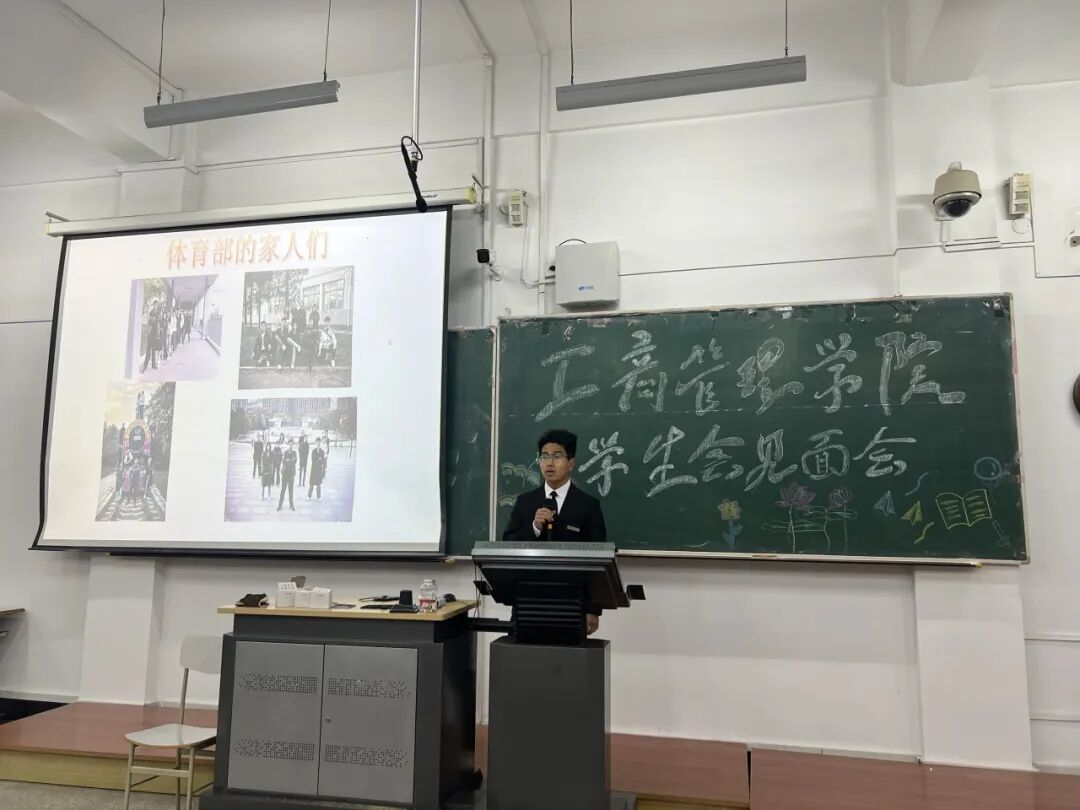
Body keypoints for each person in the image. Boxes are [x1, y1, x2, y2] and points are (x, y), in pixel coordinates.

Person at [501, 428, 607, 635]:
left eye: (557, 456)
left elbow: (599, 560)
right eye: (544, 456)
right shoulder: (525, 502)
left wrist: (593, 609)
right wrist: (534, 527)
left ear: (571, 463)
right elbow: (509, 543)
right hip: (529, 599)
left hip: (572, 602)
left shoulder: (587, 505)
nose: (549, 463)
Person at [278, 438, 297, 512]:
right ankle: (280, 505)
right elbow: (283, 461)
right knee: (283, 490)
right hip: (285, 473)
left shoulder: (294, 453)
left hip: (291, 474)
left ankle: (291, 505)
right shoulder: (285, 452)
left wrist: (288, 461)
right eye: (289, 444)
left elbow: (295, 461)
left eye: (292, 444)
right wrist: (290, 461)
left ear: (293, 445)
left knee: (291, 490)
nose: (290, 445)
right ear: (288, 445)